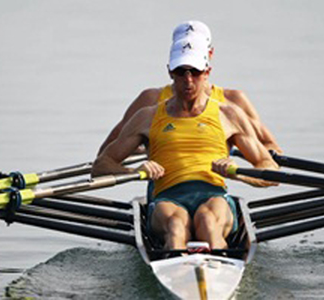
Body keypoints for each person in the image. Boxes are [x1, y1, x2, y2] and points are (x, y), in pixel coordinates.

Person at [92, 35, 279, 250]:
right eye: (181, 72)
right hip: (168, 198)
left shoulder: (228, 114)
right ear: (170, 71)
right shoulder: (148, 116)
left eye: (196, 72)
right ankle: (179, 272)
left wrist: (238, 173)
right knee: (176, 226)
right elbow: (100, 165)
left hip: (213, 194)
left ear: (207, 72)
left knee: (208, 222)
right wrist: (134, 170)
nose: (188, 80)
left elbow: (270, 168)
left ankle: (215, 272)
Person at [97, 20, 282, 156]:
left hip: (212, 186)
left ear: (210, 54)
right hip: (164, 187)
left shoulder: (233, 102)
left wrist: (239, 150)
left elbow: (270, 147)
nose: (188, 77)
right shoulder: (150, 100)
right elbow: (107, 151)